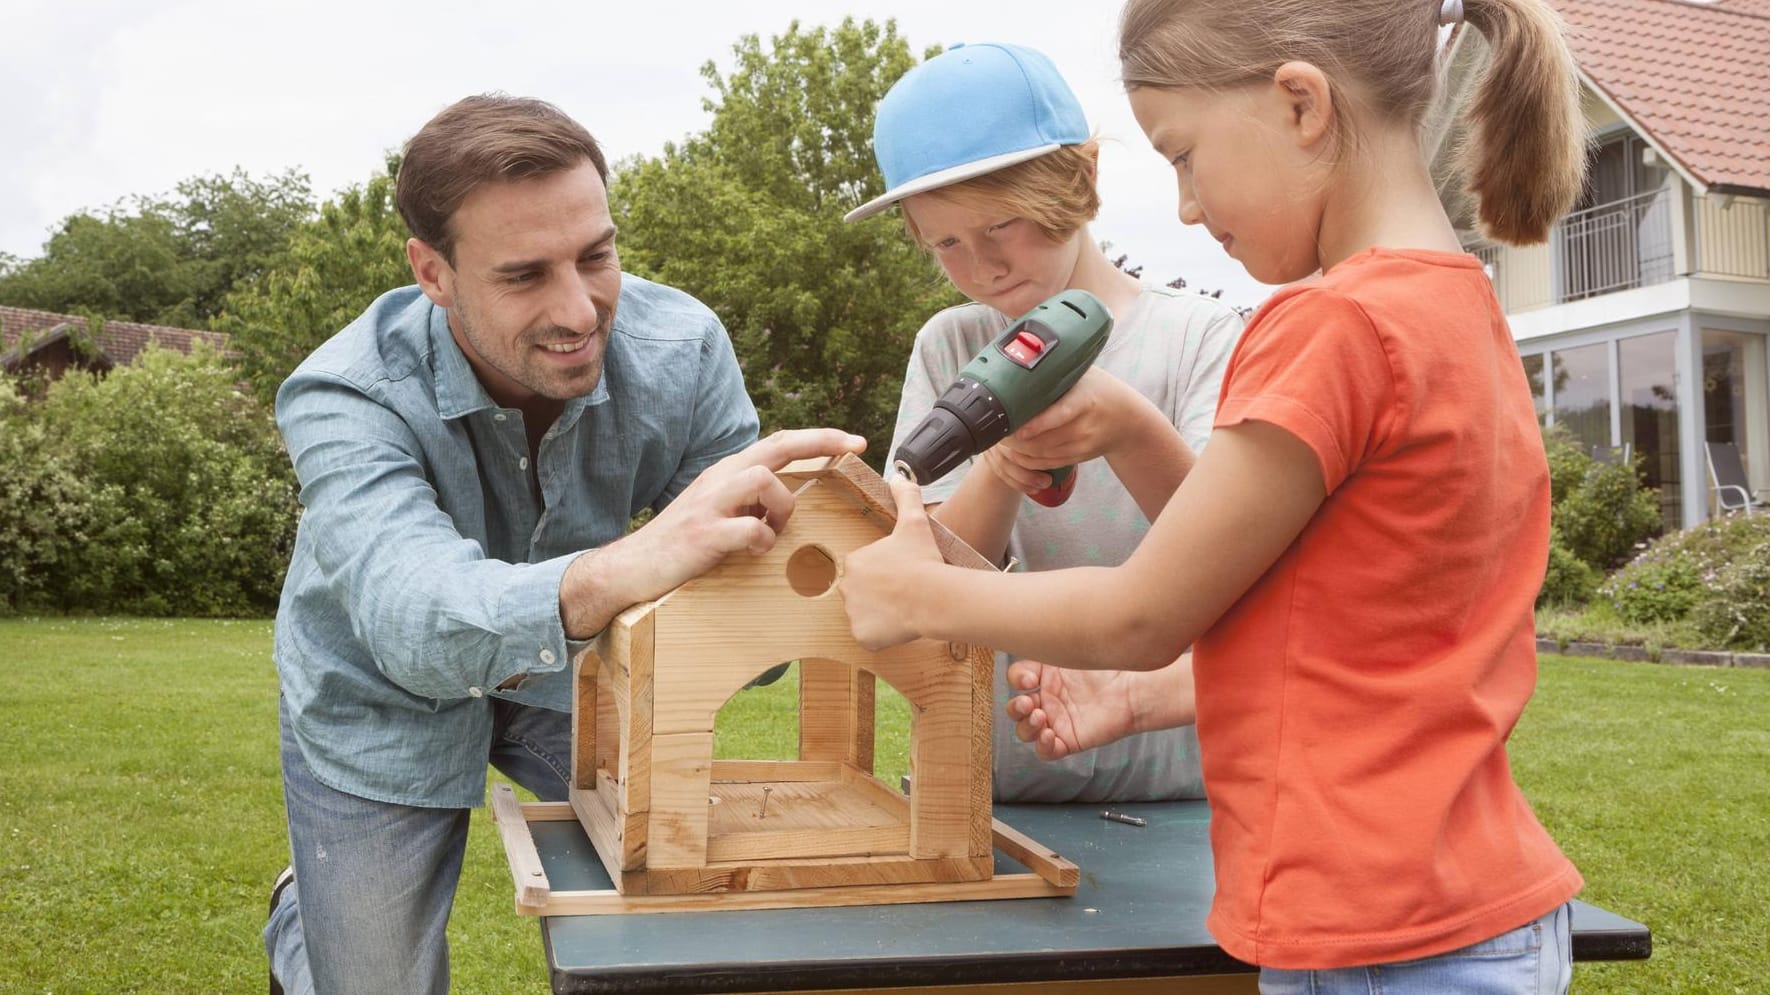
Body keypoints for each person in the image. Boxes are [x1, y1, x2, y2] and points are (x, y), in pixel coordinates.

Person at [840, 0, 1588, 990]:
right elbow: (1285, 591)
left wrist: (912, 593)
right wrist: (1132, 431)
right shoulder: (1456, 307)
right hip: (1439, 902)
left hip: (1378, 932)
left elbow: (1144, 610)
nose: (1186, 205)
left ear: (1300, 103)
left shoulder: (1325, 326)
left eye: (1184, 154)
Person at [263, 94, 863, 995]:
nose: (580, 310)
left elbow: (759, 633)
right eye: (524, 275)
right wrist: (644, 556)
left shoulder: (686, 349)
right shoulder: (344, 394)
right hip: (374, 692)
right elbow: (415, 622)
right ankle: (303, 919)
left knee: (684, 895)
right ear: (432, 271)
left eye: (596, 255)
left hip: (570, 678)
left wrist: (801, 556)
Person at [844, 42, 1243, 802]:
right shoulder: (951, 347)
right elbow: (924, 581)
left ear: (1083, 175)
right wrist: (999, 465)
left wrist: (1130, 430)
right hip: (999, 793)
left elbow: (1226, 555)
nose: (983, 265)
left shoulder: (1200, 337)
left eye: (1004, 224)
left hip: (1188, 789)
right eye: (947, 243)